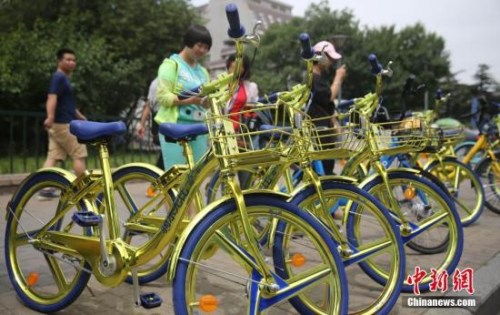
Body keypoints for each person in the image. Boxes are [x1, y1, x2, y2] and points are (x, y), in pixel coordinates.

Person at [155, 24, 212, 170]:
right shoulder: (171, 65)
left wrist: (207, 103)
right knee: (177, 174)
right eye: (199, 45)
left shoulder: (203, 72)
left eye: (206, 47)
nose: (202, 50)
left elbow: (206, 99)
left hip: (199, 128)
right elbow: (162, 97)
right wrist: (189, 100)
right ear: (188, 42)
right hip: (175, 127)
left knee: (196, 175)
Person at [39, 48, 88, 199]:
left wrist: (80, 117)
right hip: (63, 124)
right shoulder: (58, 77)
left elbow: (67, 104)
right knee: (79, 154)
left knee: (53, 157)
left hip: (60, 123)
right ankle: (83, 188)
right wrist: (50, 116)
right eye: (68, 59)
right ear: (59, 61)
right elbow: (52, 97)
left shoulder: (63, 78)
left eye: (74, 60)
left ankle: (45, 189)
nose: (72, 62)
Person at [308, 40, 347, 176]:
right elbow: (329, 97)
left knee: (325, 172)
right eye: (329, 58)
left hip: (321, 132)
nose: (331, 62)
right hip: (320, 133)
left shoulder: (315, 78)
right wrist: (338, 77)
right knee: (324, 173)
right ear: (321, 57)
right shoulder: (314, 78)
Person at [225, 53, 259, 130]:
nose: (234, 71)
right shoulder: (220, 86)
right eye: (232, 67)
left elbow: (253, 110)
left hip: (241, 131)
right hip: (221, 129)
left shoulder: (251, 87)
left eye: (238, 68)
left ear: (244, 69)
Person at [137, 77, 164, 169]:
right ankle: (159, 173)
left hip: (167, 119)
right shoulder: (157, 82)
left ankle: (159, 173)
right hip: (161, 118)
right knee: (167, 149)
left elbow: (148, 105)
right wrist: (142, 124)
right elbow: (149, 104)